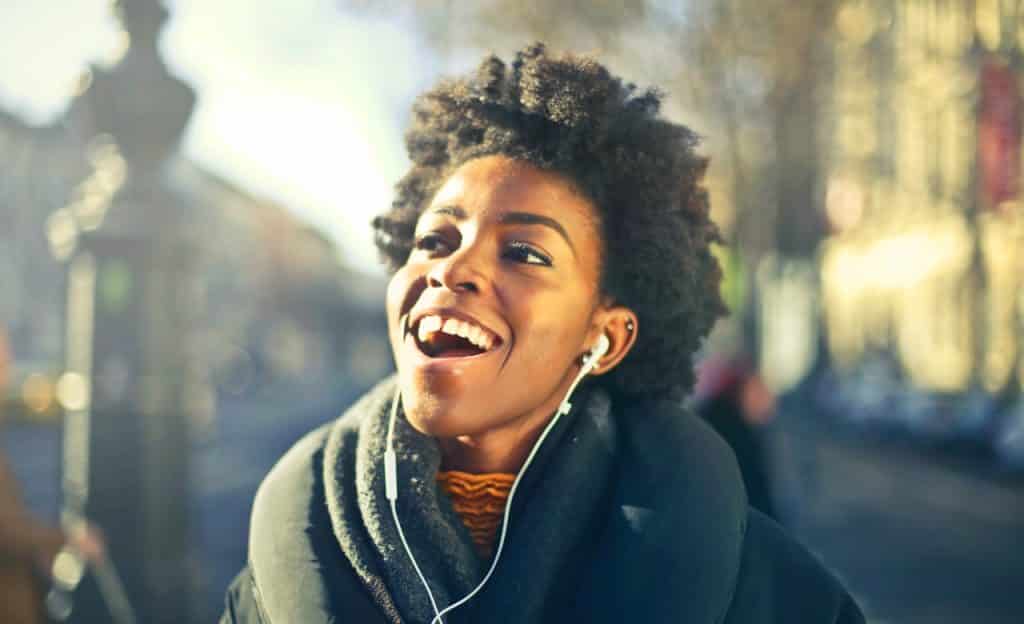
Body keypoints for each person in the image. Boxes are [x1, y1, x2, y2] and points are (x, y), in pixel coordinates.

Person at [221, 43, 864, 623]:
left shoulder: (778, 597)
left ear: (605, 337)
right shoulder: (265, 591)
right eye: (434, 240)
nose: (451, 268)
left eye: (524, 252)